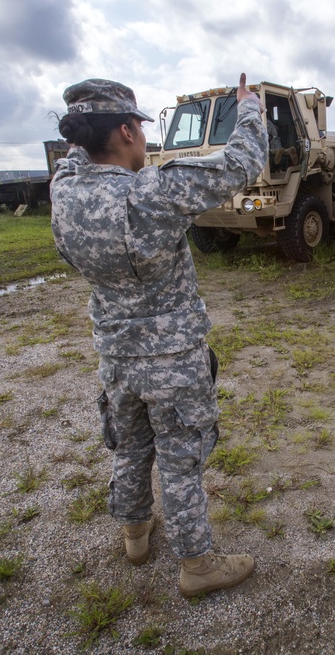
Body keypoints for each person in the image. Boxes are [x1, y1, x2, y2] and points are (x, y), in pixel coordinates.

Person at [50, 74, 267, 598]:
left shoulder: (64, 191)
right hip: (172, 360)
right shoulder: (152, 192)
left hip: (116, 357)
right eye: (140, 130)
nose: (145, 140)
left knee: (128, 448)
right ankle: (197, 566)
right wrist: (250, 107)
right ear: (126, 131)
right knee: (180, 460)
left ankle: (135, 534)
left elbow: (73, 162)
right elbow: (243, 162)